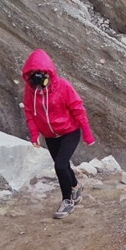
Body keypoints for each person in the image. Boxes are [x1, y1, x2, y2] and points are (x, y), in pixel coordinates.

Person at [22, 49, 95, 219]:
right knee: (64, 165)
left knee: (60, 166)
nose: (36, 78)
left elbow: (78, 108)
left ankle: (67, 201)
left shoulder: (63, 86)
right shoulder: (30, 91)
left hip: (69, 131)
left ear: (48, 72)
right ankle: (76, 187)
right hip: (50, 136)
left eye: (39, 73)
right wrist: (34, 134)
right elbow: (29, 111)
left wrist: (87, 133)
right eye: (32, 74)